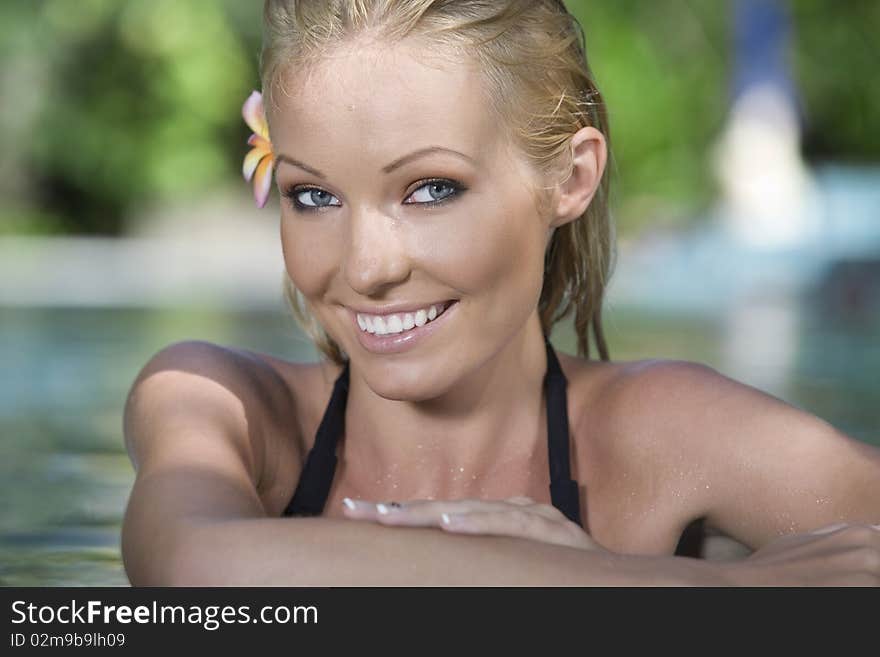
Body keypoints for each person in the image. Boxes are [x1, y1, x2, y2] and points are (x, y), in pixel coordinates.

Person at [120, 0, 880, 586]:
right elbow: (193, 568)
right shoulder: (220, 404)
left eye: (430, 189)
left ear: (570, 178)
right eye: (314, 196)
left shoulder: (665, 440)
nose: (366, 267)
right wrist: (682, 585)